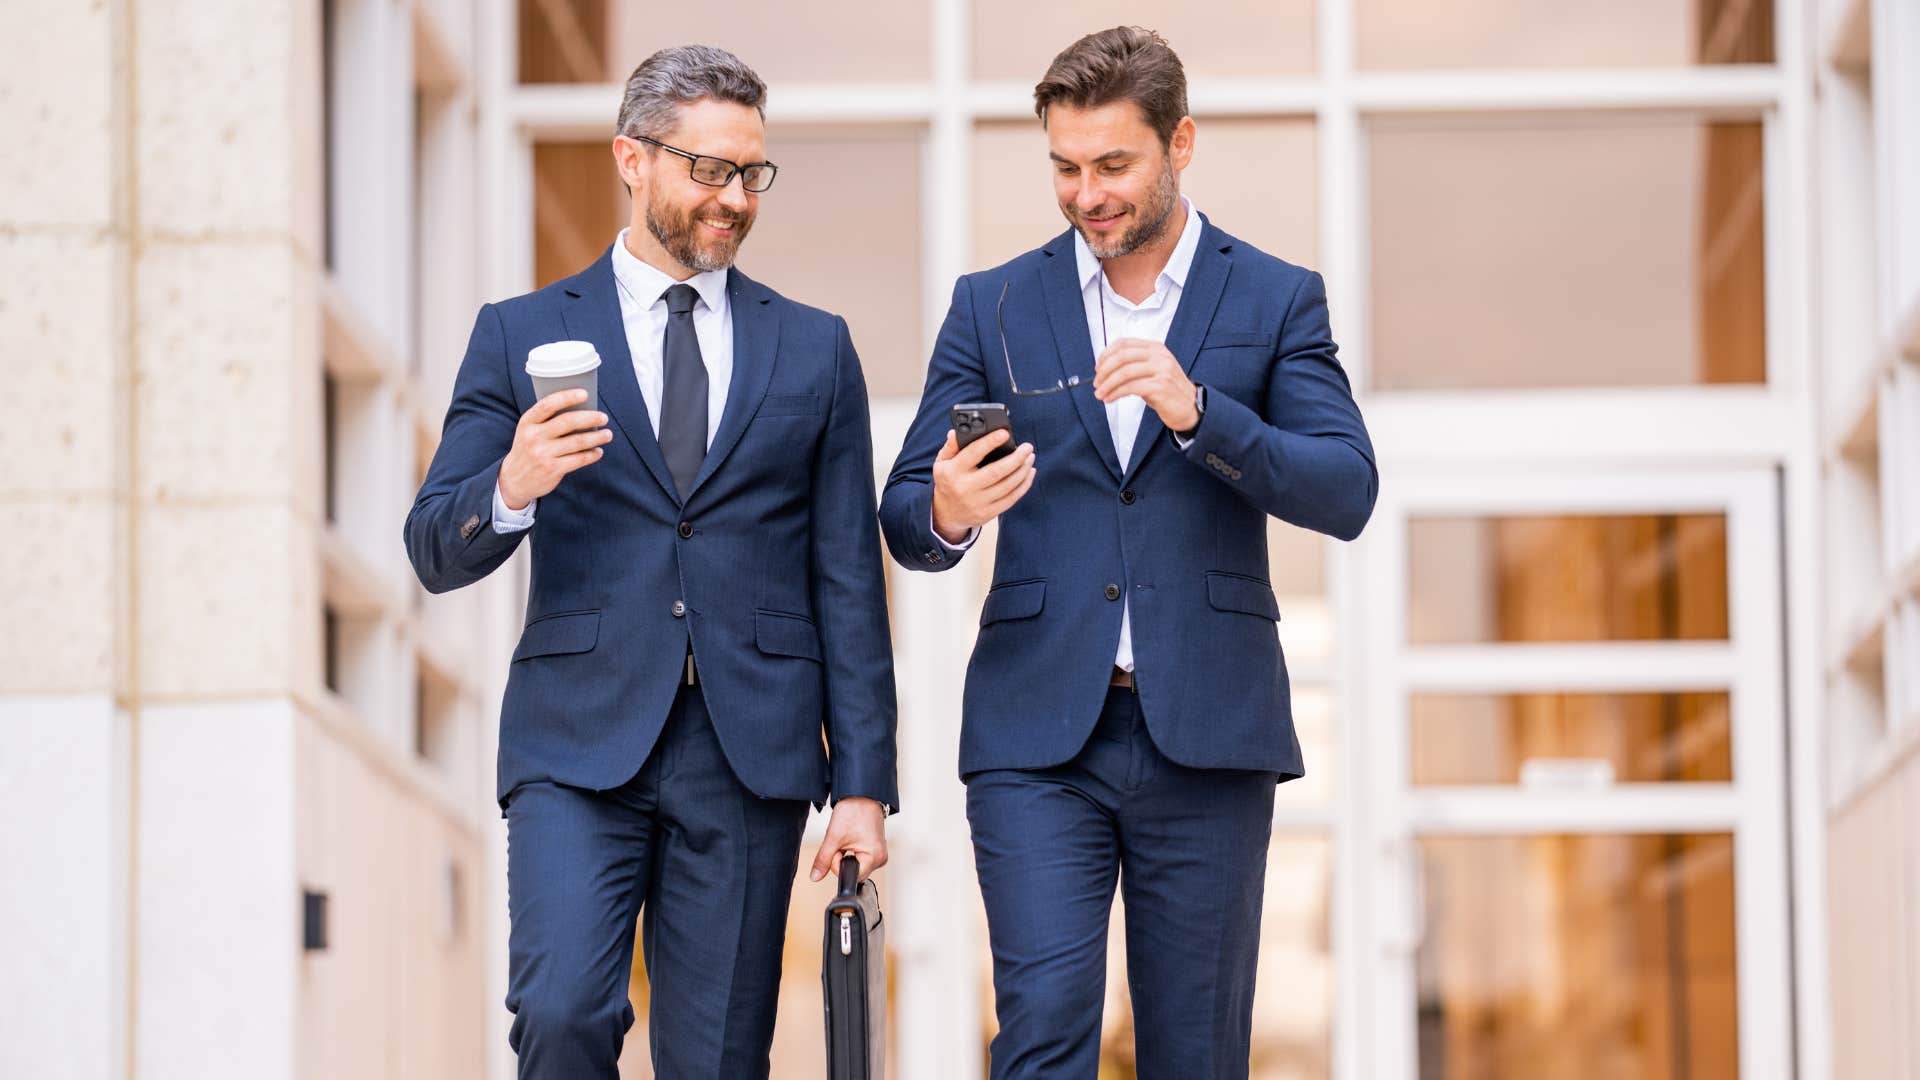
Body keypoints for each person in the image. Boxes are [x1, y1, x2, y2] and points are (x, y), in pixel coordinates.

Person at [878, 26, 1376, 1079]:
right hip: (1035, 734)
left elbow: (1346, 489)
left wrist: (1201, 414)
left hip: (1211, 731)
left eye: (1113, 164)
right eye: (1065, 167)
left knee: (1196, 1051)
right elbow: (908, 517)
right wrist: (950, 509)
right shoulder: (993, 304)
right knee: (1044, 1027)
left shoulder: (1276, 296)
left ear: (1179, 143)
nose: (1087, 194)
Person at [404, 44, 897, 1079]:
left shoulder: (815, 349)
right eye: (708, 169)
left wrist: (862, 783)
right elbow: (434, 545)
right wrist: (513, 483)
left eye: (751, 173)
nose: (734, 199)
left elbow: (848, 579)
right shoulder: (521, 334)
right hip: (575, 742)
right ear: (632, 158)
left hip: (748, 750)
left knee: (718, 1059)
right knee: (562, 1013)